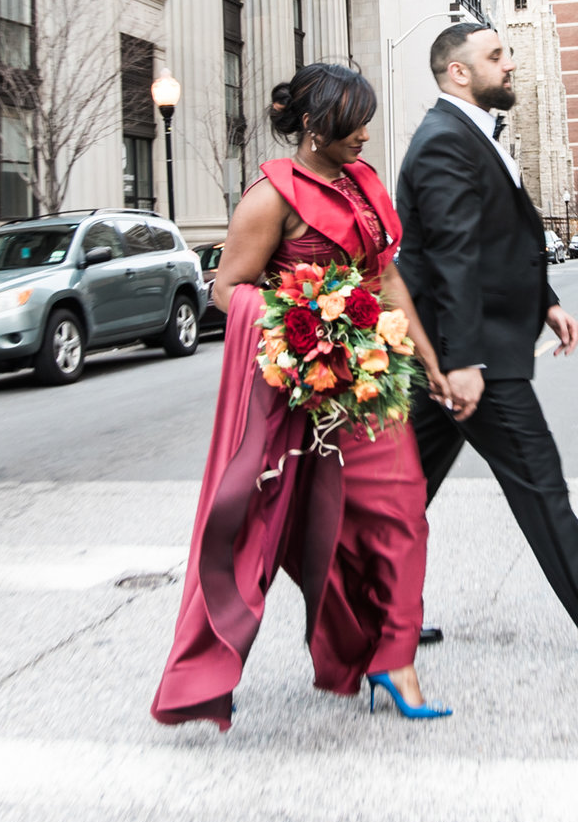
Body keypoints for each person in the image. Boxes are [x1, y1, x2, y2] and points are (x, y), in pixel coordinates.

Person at [152, 63, 459, 727]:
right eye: (356, 123)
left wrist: (429, 360)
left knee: (402, 513)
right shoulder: (272, 196)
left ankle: (393, 658)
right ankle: (208, 671)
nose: (368, 136)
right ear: (317, 126)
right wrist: (305, 320)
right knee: (257, 531)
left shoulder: (363, 186)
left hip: (371, 385)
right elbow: (227, 287)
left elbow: (386, 283)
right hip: (302, 396)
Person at [395, 22, 578, 668]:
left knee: (400, 493)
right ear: (458, 72)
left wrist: (545, 300)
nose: (511, 65)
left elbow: (499, 241)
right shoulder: (445, 141)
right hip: (472, 361)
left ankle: (369, 616)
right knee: (539, 485)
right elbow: (453, 257)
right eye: (497, 55)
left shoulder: (471, 134)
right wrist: (466, 360)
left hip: (461, 355)